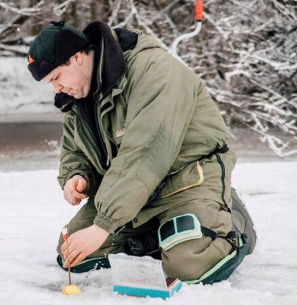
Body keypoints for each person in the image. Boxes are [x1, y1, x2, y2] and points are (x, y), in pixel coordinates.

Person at [26, 20, 256, 284]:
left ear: (77, 57)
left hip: (188, 180)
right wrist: (77, 175)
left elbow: (145, 153)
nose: (56, 88)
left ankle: (232, 221)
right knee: (74, 255)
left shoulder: (154, 71)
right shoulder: (78, 94)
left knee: (189, 265)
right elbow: (75, 149)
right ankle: (160, 233)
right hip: (136, 190)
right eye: (49, 83)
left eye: (56, 77)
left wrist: (104, 224)